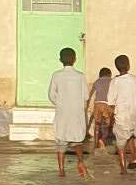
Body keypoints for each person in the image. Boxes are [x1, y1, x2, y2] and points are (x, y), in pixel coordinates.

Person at [48, 47, 88, 177]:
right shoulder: (80, 76)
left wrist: (60, 103)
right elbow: (86, 96)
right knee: (77, 140)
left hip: (62, 112)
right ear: (75, 59)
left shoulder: (56, 75)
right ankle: (81, 162)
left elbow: (51, 94)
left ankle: (61, 170)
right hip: (76, 113)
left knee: (61, 142)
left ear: (60, 60)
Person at [107, 54, 136, 174]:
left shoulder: (114, 81)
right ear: (128, 65)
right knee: (131, 137)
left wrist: (111, 116)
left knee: (121, 144)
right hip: (134, 115)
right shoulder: (135, 79)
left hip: (122, 116)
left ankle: (123, 168)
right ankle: (133, 159)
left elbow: (111, 101)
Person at [87, 67, 113, 151]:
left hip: (97, 104)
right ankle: (102, 140)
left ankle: (95, 144)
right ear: (109, 74)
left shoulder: (97, 81)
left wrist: (88, 103)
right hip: (107, 104)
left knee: (97, 125)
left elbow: (91, 93)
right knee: (108, 125)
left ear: (100, 75)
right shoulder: (112, 81)